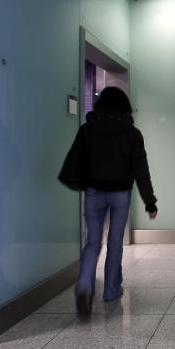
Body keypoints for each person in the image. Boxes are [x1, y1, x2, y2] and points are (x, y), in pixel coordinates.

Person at [59, 86, 157, 313]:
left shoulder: (87, 130)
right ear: (124, 106)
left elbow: (77, 160)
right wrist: (150, 201)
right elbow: (141, 169)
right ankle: (111, 290)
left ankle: (84, 286)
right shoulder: (133, 133)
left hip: (93, 191)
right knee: (115, 243)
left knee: (93, 242)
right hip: (121, 193)